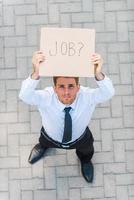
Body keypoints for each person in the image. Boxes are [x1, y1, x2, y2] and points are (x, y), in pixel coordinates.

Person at [19, 51, 115, 183]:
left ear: (78, 87)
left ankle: (85, 161)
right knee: (44, 141)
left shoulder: (87, 96)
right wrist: (36, 72)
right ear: (55, 88)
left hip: (80, 138)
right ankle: (43, 147)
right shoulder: (46, 97)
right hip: (50, 136)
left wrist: (98, 74)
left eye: (71, 86)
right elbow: (25, 95)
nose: (66, 92)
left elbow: (108, 93)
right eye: (61, 86)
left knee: (86, 151)